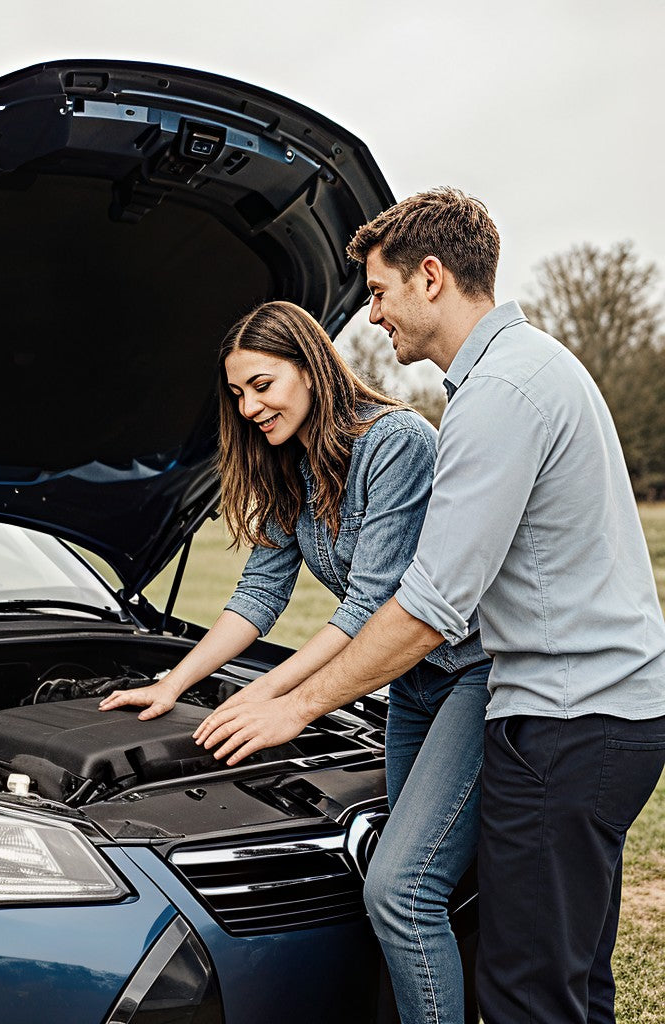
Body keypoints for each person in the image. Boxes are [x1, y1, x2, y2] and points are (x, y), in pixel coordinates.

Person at [193, 189, 665, 1024]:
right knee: (573, 979)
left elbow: (429, 605)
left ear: (433, 278)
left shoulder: (497, 395)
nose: (372, 316)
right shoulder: (529, 368)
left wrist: (292, 704)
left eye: (378, 292)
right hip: (594, 712)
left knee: (527, 992)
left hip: (567, 720)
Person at [99, 300, 491, 1024]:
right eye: (238, 393)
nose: (248, 407)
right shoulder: (289, 466)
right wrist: (172, 683)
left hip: (474, 677)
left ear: (310, 371)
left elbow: (372, 604)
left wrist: (278, 702)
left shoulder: (394, 441)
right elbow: (256, 594)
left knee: (403, 887)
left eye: (263, 385)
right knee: (398, 880)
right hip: (406, 687)